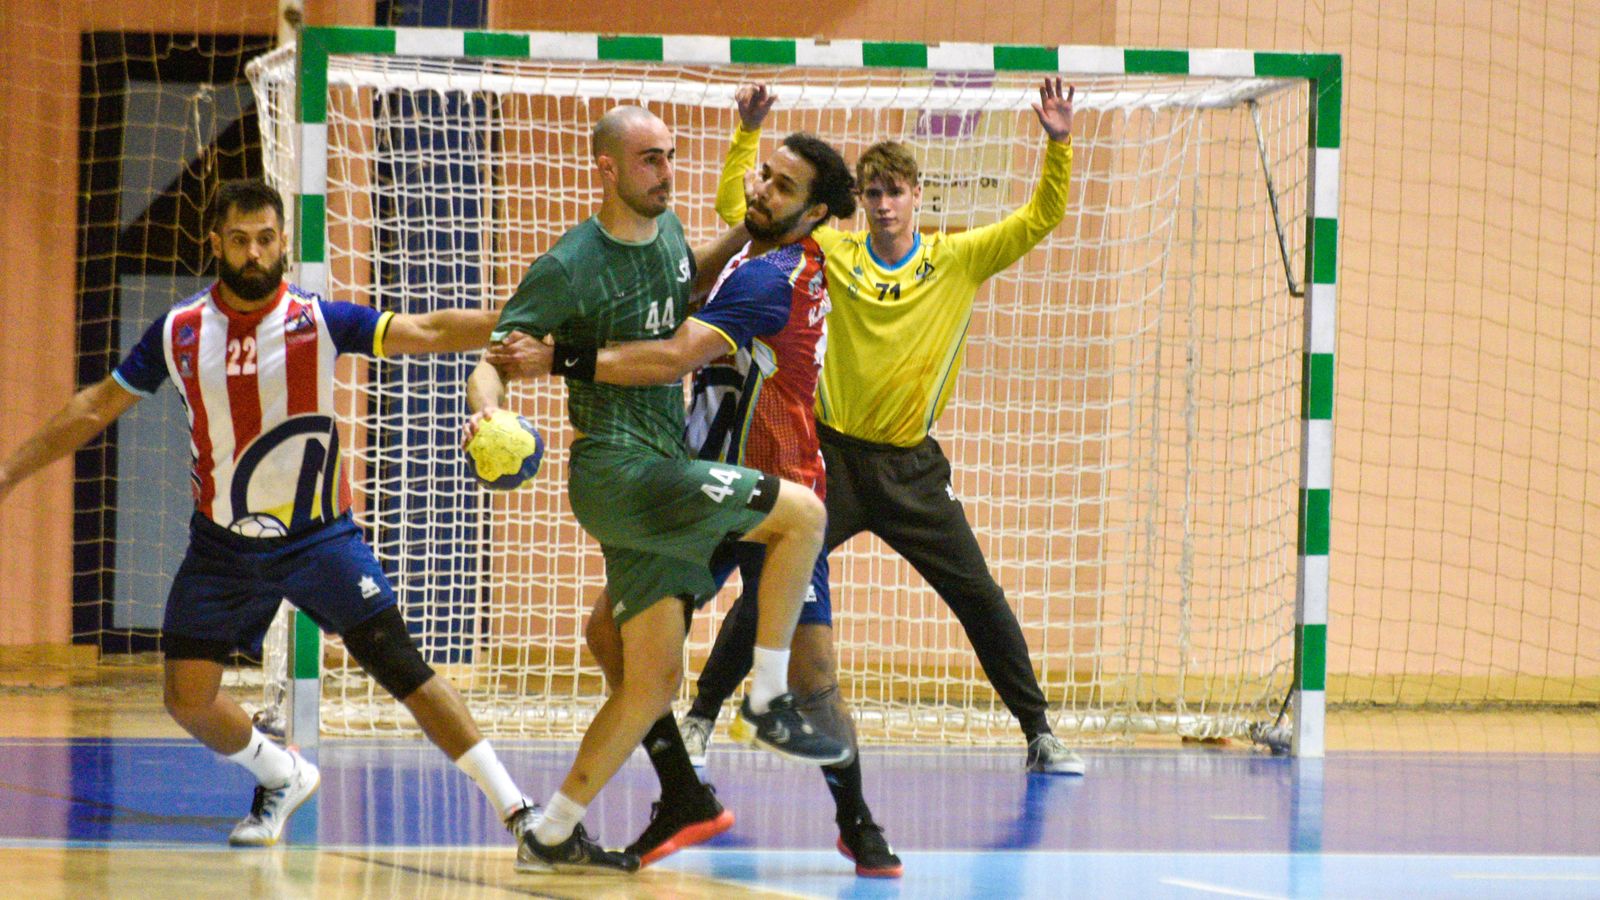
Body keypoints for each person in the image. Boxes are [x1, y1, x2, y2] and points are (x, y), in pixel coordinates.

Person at [0, 179, 537, 853]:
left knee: (407, 672)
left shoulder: (319, 321)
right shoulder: (180, 331)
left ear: (284, 243)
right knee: (185, 697)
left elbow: (427, 330)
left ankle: (520, 812)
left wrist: (523, 319)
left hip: (322, 540)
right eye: (239, 240)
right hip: (222, 547)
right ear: (215, 245)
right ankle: (281, 773)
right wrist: (7, 474)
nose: (253, 253)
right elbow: (93, 407)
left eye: (265, 239)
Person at [492, 129, 900, 877]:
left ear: (812, 213)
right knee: (610, 637)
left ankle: (857, 820)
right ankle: (682, 791)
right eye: (761, 175)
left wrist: (558, 358)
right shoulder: (750, 251)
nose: (759, 190)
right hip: (704, 480)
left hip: (774, 492)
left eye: (780, 187)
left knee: (815, 676)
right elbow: (677, 285)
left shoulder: (774, 276)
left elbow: (674, 351)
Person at [686, 78, 1087, 776]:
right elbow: (743, 213)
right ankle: (700, 716)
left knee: (979, 595)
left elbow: (1039, 218)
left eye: (894, 191)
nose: (883, 204)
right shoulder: (833, 256)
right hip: (831, 458)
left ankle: (1039, 731)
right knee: (770, 587)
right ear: (859, 202)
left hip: (911, 470)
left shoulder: (956, 259)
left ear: (915, 197)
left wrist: (1058, 144)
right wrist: (747, 136)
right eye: (871, 193)